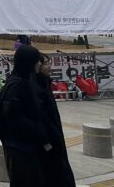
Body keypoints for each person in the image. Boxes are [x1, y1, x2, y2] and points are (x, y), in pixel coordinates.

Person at [0, 44, 51, 186]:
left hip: (26, 143)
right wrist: (39, 132)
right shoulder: (17, 84)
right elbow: (14, 116)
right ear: (28, 62)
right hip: (18, 145)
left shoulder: (26, 81)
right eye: (36, 60)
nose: (39, 63)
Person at [35, 52, 76, 187]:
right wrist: (46, 142)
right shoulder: (34, 88)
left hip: (54, 139)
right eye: (45, 64)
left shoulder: (45, 85)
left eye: (49, 63)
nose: (49, 67)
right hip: (47, 144)